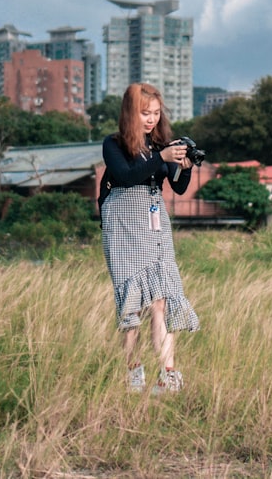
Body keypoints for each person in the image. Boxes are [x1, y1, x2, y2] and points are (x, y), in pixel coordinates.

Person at [101, 82, 200, 394]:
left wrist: (184, 167)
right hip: (122, 224)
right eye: (145, 113)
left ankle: (167, 374)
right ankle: (133, 374)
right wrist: (162, 157)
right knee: (131, 307)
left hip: (154, 224)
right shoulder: (114, 144)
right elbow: (128, 175)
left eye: (156, 113)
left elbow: (179, 187)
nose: (152, 119)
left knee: (162, 300)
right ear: (131, 113)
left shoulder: (160, 146)